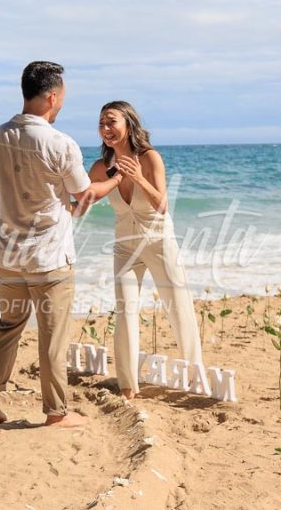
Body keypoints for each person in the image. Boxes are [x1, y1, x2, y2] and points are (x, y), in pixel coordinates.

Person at [0, 62, 123, 427]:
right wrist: (117, 177)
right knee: (53, 336)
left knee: (8, 325)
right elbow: (84, 195)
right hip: (48, 258)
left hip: (8, 254)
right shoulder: (59, 143)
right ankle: (56, 413)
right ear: (52, 96)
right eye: (61, 100)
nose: (60, 106)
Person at [87, 101, 209, 400]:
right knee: (125, 311)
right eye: (101, 123)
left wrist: (138, 177)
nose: (105, 128)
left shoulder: (150, 157)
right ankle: (128, 385)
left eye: (111, 121)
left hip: (158, 241)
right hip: (124, 247)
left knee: (178, 306)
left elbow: (162, 204)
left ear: (128, 124)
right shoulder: (100, 168)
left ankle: (195, 376)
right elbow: (83, 199)